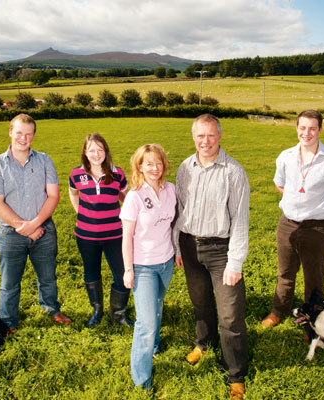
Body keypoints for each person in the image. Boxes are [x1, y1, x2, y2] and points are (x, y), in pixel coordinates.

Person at [173, 114, 250, 400]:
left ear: (220, 136)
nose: (205, 142)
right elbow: (179, 211)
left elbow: (240, 220)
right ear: (193, 137)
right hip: (190, 247)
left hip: (221, 251)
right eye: (200, 136)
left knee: (230, 315)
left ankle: (236, 373)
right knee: (200, 303)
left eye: (211, 136)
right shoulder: (185, 168)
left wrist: (235, 262)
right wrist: (178, 248)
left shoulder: (233, 172)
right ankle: (203, 344)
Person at [261, 110, 324, 330]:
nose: (307, 133)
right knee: (285, 273)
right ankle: (279, 311)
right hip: (287, 225)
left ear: (320, 130)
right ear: (296, 128)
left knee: (314, 279)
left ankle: (312, 323)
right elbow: (280, 183)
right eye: (302, 128)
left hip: (317, 228)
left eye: (312, 128)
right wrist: (295, 202)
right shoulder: (285, 156)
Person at [0, 113, 71, 335]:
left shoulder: (44, 160)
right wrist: (23, 227)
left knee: (48, 277)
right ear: (11, 132)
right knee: (9, 282)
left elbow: (53, 196)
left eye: (29, 134)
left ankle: (52, 309)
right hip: (10, 234)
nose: (24, 138)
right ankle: (9, 321)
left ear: (33, 136)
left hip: (44, 230)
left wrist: (34, 224)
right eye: (20, 133)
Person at [120, 144, 176, 389]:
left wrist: (178, 254)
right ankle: (141, 381)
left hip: (166, 263)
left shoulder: (171, 190)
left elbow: (174, 225)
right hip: (143, 267)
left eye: (158, 163)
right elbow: (126, 237)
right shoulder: (134, 196)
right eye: (148, 163)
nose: (154, 168)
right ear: (139, 167)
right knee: (146, 324)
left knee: (157, 306)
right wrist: (128, 269)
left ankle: (153, 347)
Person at [69, 133, 133, 328]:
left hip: (115, 235)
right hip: (86, 235)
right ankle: (97, 311)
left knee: (123, 275)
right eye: (91, 150)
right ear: (85, 153)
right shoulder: (76, 174)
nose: (96, 154)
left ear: (106, 151)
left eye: (100, 149)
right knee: (91, 273)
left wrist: (127, 211)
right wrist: (80, 212)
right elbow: (73, 192)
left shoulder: (117, 173)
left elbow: (125, 196)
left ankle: (118, 314)